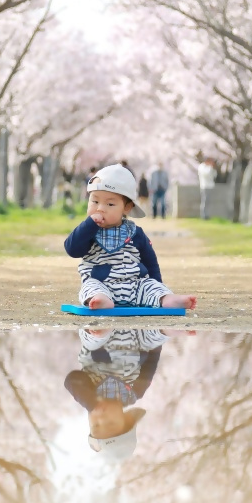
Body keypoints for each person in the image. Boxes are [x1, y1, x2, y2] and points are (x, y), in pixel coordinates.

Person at [65, 164, 197, 310]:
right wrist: (89, 225)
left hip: (135, 285)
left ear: (127, 208)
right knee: (89, 286)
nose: (100, 208)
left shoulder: (135, 232)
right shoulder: (88, 231)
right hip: (100, 282)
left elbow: (150, 261)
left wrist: (158, 285)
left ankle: (167, 300)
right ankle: (100, 300)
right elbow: (72, 249)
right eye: (95, 201)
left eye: (110, 204)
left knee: (151, 286)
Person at [64, 328, 168, 461]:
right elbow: (151, 363)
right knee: (154, 338)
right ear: (125, 418)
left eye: (95, 425)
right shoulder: (135, 392)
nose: (100, 419)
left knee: (93, 339)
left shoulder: (89, 392)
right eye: (110, 423)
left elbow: (71, 380)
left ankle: (100, 319)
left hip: (99, 338)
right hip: (134, 335)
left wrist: (91, 403)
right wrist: (158, 339)